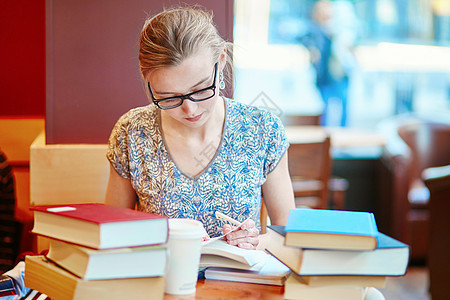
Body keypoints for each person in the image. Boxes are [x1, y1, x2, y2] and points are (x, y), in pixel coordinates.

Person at [105, 7, 295, 250]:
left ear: (222, 60)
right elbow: (110, 233)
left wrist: (254, 242)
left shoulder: (262, 130)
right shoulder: (131, 132)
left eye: (201, 89)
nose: (190, 110)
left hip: (240, 284)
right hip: (159, 281)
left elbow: (288, 236)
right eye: (168, 97)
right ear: (148, 83)